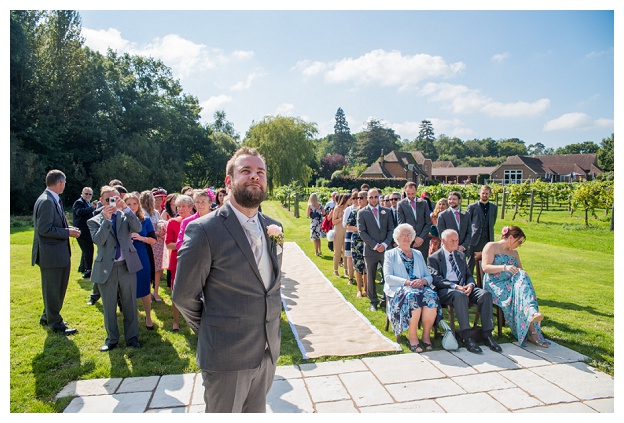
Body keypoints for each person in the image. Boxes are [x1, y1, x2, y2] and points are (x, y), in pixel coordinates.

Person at [173, 147, 283, 413]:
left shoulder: (274, 226)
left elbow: (269, 286)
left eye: (260, 172)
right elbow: (183, 296)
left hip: (268, 352)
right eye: (245, 171)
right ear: (229, 180)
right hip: (226, 356)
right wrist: (213, 329)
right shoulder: (204, 230)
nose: (254, 177)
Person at [427, 229, 502, 354]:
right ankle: (467, 338)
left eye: (457, 240)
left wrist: (470, 285)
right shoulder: (434, 258)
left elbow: (468, 274)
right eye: (453, 240)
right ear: (444, 241)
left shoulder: (461, 255)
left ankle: (487, 335)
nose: (456, 243)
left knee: (485, 295)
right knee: (460, 296)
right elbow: (436, 279)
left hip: (464, 286)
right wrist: (456, 287)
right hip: (447, 290)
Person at [88, 186, 143, 351]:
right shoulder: (95, 219)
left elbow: (138, 228)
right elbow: (98, 240)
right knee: (109, 306)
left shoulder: (125, 215)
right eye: (108, 199)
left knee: (130, 304)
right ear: (101, 201)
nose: (111, 202)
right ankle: (111, 339)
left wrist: (125, 208)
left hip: (127, 266)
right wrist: (106, 219)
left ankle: (132, 337)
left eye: (115, 198)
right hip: (107, 268)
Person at [481, 226, 548, 348]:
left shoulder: (514, 253)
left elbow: (520, 272)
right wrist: (504, 267)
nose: (519, 245)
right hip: (496, 284)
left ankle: (532, 314)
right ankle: (532, 324)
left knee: (522, 279)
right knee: (521, 292)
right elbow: (485, 268)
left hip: (512, 284)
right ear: (511, 238)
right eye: (519, 242)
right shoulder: (491, 246)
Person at [32, 169, 81, 335]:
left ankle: (48, 316)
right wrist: (67, 232)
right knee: (54, 289)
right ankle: (56, 323)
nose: (64, 186)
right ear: (60, 183)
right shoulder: (46, 201)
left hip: (56, 253)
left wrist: (67, 228)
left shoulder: (50, 199)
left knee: (56, 288)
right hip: (51, 255)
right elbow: (44, 229)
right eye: (64, 183)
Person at [384, 223, 441, 352]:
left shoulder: (418, 254)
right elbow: (388, 278)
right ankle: (413, 337)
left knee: (431, 296)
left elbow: (429, 276)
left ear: (413, 237)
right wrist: (408, 282)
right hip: (400, 289)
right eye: (402, 235)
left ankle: (426, 336)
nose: (406, 238)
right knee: (412, 296)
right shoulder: (390, 254)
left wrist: (423, 281)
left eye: (409, 235)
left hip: (419, 287)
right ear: (397, 238)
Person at [357, 188, 395, 312]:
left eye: (375, 197)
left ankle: (386, 300)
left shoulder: (387, 211)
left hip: (385, 249)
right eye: (371, 197)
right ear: (367, 198)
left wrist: (384, 244)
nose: (374, 199)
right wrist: (374, 245)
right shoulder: (362, 212)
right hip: (370, 250)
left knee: (387, 276)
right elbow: (362, 232)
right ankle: (373, 301)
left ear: (379, 197)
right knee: (371, 276)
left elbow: (391, 229)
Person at [125, 192, 157, 330]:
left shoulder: (146, 220)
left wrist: (141, 238)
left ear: (138, 204)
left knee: (144, 288)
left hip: (142, 256)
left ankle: (148, 317)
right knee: (127, 290)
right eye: (128, 204)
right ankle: (131, 318)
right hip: (125, 258)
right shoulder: (120, 219)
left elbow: (153, 240)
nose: (132, 207)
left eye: (134, 203)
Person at [165, 194, 194, 332]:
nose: (180, 209)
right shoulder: (172, 222)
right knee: (176, 291)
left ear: (191, 207)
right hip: (177, 261)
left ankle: (193, 320)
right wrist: (183, 245)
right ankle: (176, 321)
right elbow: (168, 244)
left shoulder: (197, 221)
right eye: (178, 206)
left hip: (194, 262)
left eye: (183, 206)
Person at [467, 185, 498, 276]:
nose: (484, 195)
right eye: (483, 193)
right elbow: (468, 222)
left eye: (487, 193)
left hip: (488, 238)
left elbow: (493, 221)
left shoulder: (494, 207)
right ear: (479, 193)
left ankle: (484, 282)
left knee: (487, 261)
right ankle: (468, 280)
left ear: (490, 194)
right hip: (475, 238)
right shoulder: (472, 207)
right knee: (471, 262)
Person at [396, 182, 431, 260]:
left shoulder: (423, 203)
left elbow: (428, 222)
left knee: (423, 265)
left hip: (423, 242)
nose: (411, 196)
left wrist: (421, 238)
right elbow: (402, 224)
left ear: (416, 191)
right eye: (408, 194)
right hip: (409, 241)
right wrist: (414, 238)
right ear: (405, 191)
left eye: (413, 194)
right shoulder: (401, 205)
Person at [141, 190, 164, 302]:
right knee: (150, 268)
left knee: (158, 268)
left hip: (159, 244)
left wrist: (162, 227)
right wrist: (157, 233)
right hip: (150, 244)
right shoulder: (142, 213)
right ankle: (148, 292)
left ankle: (156, 292)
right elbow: (145, 230)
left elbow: (160, 223)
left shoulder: (156, 213)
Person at [345, 192, 367, 297]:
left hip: (368, 242)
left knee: (367, 267)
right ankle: (359, 289)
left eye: (361, 198)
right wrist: (360, 230)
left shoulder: (370, 212)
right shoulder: (354, 211)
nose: (359, 199)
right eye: (357, 198)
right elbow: (348, 225)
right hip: (357, 242)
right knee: (358, 266)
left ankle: (366, 289)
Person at [72, 186, 96, 279]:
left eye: (90, 194)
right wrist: (92, 208)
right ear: (82, 194)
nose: (88, 195)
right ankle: (88, 270)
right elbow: (79, 212)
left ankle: (82, 268)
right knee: (88, 250)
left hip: (86, 230)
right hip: (82, 230)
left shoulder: (87, 203)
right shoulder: (79, 202)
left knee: (86, 250)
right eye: (86, 193)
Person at [437, 191, 471, 255]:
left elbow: (469, 232)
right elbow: (441, 234)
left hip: (462, 250)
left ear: (459, 201)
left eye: (454, 199)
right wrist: (453, 246)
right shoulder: (443, 215)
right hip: (448, 250)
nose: (451, 201)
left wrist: (463, 246)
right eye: (450, 199)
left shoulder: (466, 215)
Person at [342, 191, 359, 282]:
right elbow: (344, 223)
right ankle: (351, 278)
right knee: (349, 257)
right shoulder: (349, 210)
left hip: (360, 236)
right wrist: (354, 228)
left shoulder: (363, 209)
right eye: (354, 198)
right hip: (350, 234)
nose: (356, 200)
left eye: (358, 198)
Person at [331, 193, 349, 277]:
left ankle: (346, 270)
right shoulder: (337, 208)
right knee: (337, 251)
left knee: (346, 251)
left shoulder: (349, 208)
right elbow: (333, 221)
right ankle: (335, 270)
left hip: (347, 229)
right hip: (338, 229)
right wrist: (342, 218)